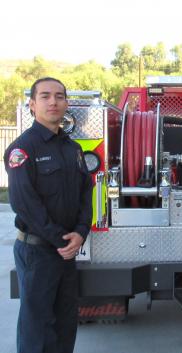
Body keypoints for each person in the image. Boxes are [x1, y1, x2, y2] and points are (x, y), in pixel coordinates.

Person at [4, 77, 93, 353]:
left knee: (65, 325)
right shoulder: (22, 149)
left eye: (59, 96)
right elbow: (24, 204)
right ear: (32, 105)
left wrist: (80, 232)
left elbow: (85, 194)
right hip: (38, 253)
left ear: (67, 103)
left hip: (66, 251)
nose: (53, 101)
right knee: (37, 330)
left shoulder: (73, 149)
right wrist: (61, 240)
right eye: (44, 96)